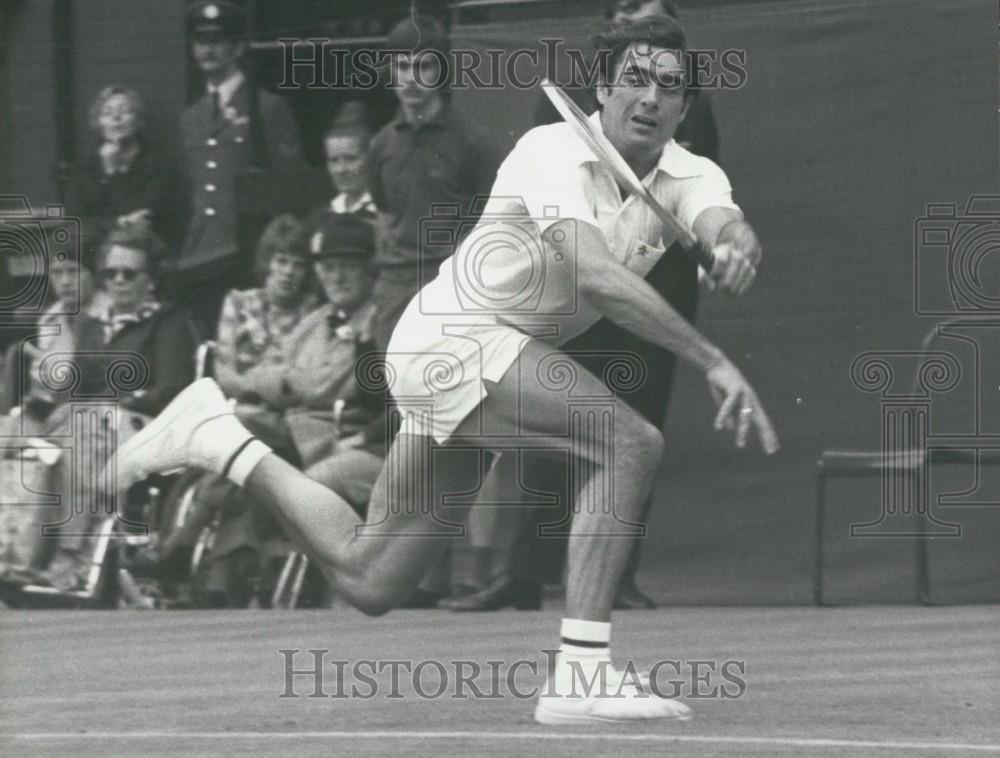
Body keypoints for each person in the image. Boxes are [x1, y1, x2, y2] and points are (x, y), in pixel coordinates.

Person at [111, 16, 777, 724]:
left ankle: (218, 437)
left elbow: (722, 224)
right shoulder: (548, 149)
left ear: (683, 105)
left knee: (371, 576)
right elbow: (595, 278)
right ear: (604, 88)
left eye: (670, 87)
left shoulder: (689, 172)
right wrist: (711, 359)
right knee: (629, 441)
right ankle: (581, 675)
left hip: (488, 358)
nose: (651, 97)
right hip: (450, 340)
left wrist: (737, 246)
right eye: (636, 79)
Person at [523, 0, 725, 611]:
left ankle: (616, 578)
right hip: (578, 286)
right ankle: (526, 573)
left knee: (638, 435)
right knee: (558, 430)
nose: (652, 97)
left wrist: (721, 242)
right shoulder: (553, 130)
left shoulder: (692, 113)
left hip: (658, 289)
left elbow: (707, 193)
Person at [163, 213, 384, 606]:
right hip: (289, 429)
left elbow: (335, 384)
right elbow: (274, 368)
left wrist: (288, 382)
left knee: (241, 433)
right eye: (329, 268)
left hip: (330, 433)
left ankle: (187, 541)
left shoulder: (376, 320)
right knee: (249, 463)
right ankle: (221, 586)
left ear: (369, 271)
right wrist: (293, 380)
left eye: (348, 268)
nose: (337, 278)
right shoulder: (316, 320)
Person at [36, 226, 198, 590]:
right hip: (94, 425)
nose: (118, 280)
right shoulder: (92, 326)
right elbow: (75, 386)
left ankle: (72, 558)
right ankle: (21, 554)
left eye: (130, 273)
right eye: (111, 273)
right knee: (26, 441)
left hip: (151, 427)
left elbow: (171, 389)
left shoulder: (168, 323)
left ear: (152, 279)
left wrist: (111, 405)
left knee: (86, 429)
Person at [366, 14, 502, 352]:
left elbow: (497, 223)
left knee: (455, 391)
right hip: (395, 287)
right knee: (397, 394)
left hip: (451, 284)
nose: (410, 79)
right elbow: (384, 215)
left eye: (423, 66)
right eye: (401, 66)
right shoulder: (380, 145)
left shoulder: (475, 143)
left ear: (442, 72)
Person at [176, 0, 304, 335]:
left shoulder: (267, 108)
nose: (208, 50)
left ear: (237, 47)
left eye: (218, 41)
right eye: (201, 42)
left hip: (247, 255)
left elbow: (290, 187)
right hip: (200, 257)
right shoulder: (191, 118)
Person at [68, 85, 182, 251]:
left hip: (143, 251)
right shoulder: (86, 166)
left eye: (125, 111)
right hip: (95, 249)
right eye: (107, 113)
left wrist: (113, 172)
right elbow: (74, 218)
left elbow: (144, 217)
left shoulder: (159, 165)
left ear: (138, 120)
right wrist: (117, 223)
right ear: (98, 123)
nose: (116, 117)